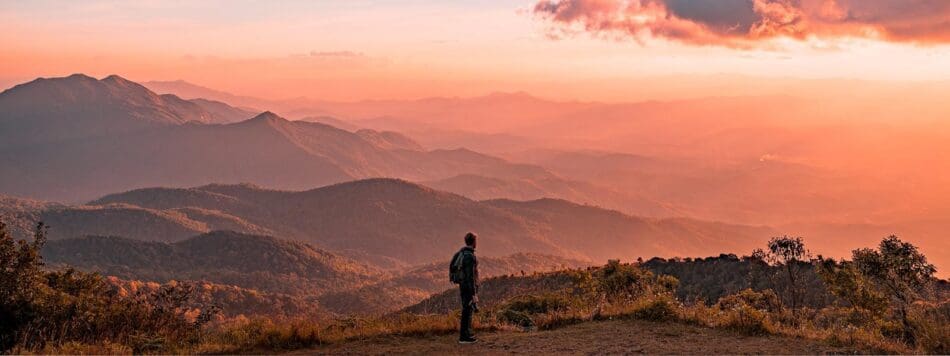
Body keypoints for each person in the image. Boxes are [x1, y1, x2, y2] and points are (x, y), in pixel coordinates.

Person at [450, 232, 479, 344]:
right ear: (473, 242)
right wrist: (473, 293)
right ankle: (464, 337)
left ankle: (467, 333)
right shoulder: (469, 256)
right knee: (467, 311)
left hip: (464, 286)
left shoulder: (463, 253)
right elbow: (470, 276)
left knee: (467, 310)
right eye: (476, 241)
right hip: (468, 288)